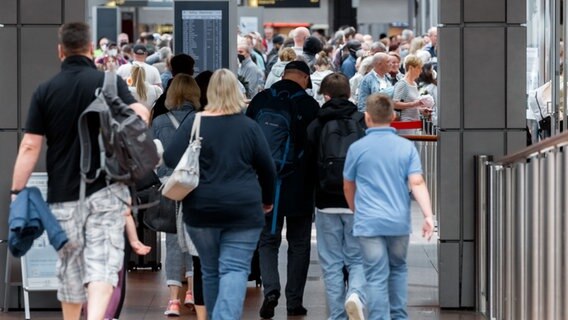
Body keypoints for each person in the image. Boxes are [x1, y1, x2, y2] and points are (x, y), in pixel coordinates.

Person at [10, 22, 149, 320]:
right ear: (90, 49)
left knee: (70, 264)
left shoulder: (46, 91)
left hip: (64, 195)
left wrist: (16, 192)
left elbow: (30, 147)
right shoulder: (110, 83)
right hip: (109, 190)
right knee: (102, 265)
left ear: (60, 51)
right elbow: (141, 116)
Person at [163, 69, 276, 319]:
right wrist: (267, 201)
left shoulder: (196, 122)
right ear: (237, 92)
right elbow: (268, 170)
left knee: (209, 269)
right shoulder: (249, 126)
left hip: (201, 209)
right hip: (244, 209)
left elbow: (170, 157)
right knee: (235, 269)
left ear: (209, 93)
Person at [343, 93, 434, 320]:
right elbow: (417, 182)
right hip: (397, 222)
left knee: (375, 274)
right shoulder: (405, 148)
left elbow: (348, 185)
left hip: (368, 221)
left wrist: (356, 209)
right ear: (393, 116)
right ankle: (399, 317)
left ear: (367, 118)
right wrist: (428, 215)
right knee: (398, 270)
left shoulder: (357, 148)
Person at [246, 61, 320, 319]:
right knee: (299, 243)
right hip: (300, 184)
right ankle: (294, 302)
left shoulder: (261, 100)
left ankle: (271, 291)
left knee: (267, 240)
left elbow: (248, 140)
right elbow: (316, 147)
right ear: (304, 77)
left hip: (265, 184)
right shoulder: (309, 105)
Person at [306, 73, 367, 320]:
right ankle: (355, 294)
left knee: (331, 263)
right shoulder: (362, 120)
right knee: (358, 259)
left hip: (325, 201)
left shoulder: (316, 123)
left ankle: (337, 317)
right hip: (355, 201)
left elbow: (308, 163)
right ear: (349, 93)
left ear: (325, 95)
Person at [152, 74, 206, 319]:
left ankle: (173, 300)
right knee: (193, 240)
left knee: (173, 240)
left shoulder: (160, 120)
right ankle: (193, 293)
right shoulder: (200, 120)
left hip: (169, 187)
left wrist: (163, 177)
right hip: (194, 185)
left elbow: (154, 156)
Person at [151, 53, 196, 121]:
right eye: (192, 68)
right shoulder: (196, 101)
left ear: (172, 72)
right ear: (190, 72)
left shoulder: (161, 102)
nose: (193, 71)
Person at [392, 54, 426, 133]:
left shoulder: (414, 83)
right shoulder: (403, 84)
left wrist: (421, 109)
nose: (421, 71)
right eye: (418, 68)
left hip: (415, 123)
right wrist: (414, 104)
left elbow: (412, 104)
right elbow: (395, 104)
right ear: (411, 68)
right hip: (405, 123)